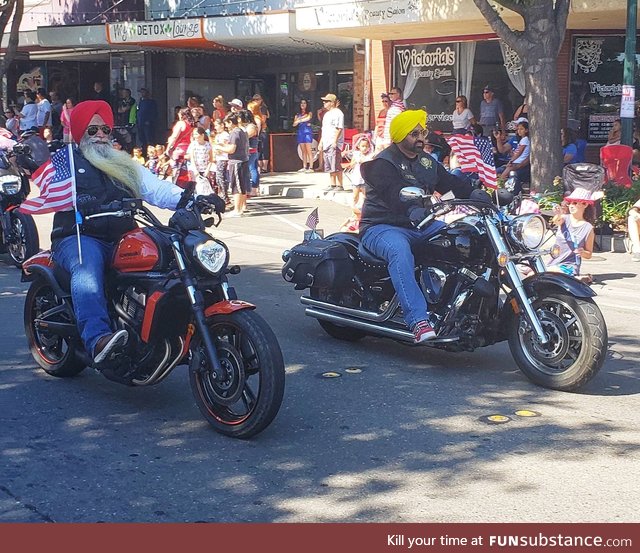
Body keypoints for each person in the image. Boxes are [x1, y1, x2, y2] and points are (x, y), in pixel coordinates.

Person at [49, 100, 185, 366]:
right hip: (78, 236)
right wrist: (75, 199)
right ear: (79, 133)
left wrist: (192, 199)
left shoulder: (123, 163)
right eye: (92, 130)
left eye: (105, 129)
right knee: (86, 266)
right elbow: (51, 189)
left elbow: (156, 188)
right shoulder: (65, 161)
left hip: (122, 236)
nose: (100, 134)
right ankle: (97, 338)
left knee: (169, 253)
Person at [358, 109, 473, 343]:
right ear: (400, 136)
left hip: (421, 224)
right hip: (381, 227)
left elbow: (449, 183)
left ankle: (457, 307)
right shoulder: (383, 163)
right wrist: (412, 210)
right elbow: (393, 194)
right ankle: (418, 320)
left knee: (462, 237)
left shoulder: (426, 162)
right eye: (414, 133)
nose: (421, 137)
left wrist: (478, 194)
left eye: (423, 132)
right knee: (399, 250)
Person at [548, 188, 597, 282]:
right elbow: (556, 221)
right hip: (554, 262)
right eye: (570, 203)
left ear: (585, 204)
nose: (571, 206)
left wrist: (582, 252)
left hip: (569, 266)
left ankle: (576, 278)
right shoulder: (565, 219)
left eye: (575, 203)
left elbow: (589, 254)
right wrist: (558, 214)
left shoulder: (588, 228)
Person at [218, 112, 249, 217]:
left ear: (231, 122)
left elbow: (232, 149)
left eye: (227, 123)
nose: (226, 126)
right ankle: (240, 208)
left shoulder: (235, 133)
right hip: (242, 160)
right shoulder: (242, 131)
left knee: (237, 186)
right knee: (241, 186)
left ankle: (237, 209)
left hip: (236, 162)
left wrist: (220, 148)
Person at [319, 93, 344, 191]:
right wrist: (321, 142)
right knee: (329, 165)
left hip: (334, 143)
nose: (324, 103)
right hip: (326, 142)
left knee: (336, 164)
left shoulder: (338, 113)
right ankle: (332, 184)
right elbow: (324, 130)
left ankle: (340, 185)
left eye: (326, 101)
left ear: (332, 103)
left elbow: (339, 128)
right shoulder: (327, 114)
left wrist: (335, 141)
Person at [497, 120, 530, 188]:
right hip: (515, 161)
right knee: (499, 172)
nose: (519, 131)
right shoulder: (522, 139)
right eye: (518, 129)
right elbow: (503, 150)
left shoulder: (525, 139)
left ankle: (499, 186)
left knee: (503, 175)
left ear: (526, 130)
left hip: (518, 163)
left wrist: (510, 161)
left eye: (521, 129)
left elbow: (518, 153)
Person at [166, 107, 196, 179]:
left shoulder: (181, 123)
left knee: (176, 169)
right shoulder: (192, 125)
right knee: (186, 169)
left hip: (179, 149)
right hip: (188, 149)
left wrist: (168, 147)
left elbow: (174, 137)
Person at [345, 134, 373, 209]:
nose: (365, 148)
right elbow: (351, 165)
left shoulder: (370, 156)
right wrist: (355, 162)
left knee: (365, 196)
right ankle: (353, 209)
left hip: (365, 179)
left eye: (366, 147)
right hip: (357, 178)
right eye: (363, 146)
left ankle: (364, 210)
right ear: (359, 147)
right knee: (355, 195)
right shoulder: (356, 154)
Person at [380, 86, 406, 150]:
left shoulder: (397, 108)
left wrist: (391, 138)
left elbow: (395, 123)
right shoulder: (396, 106)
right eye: (390, 93)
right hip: (389, 135)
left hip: (390, 137)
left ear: (398, 94)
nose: (390, 95)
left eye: (392, 94)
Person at [212, 118, 230, 203]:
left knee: (221, 177)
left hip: (223, 157)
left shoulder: (225, 135)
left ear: (222, 125)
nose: (215, 127)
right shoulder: (218, 135)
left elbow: (224, 145)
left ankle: (225, 196)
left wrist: (219, 148)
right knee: (218, 178)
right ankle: (223, 194)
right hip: (219, 157)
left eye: (216, 125)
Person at [293, 98, 314, 173]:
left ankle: (311, 167)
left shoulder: (309, 113)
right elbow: (294, 124)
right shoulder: (297, 114)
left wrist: (299, 120)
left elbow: (308, 118)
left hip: (307, 132)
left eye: (304, 103)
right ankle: (304, 166)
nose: (302, 104)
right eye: (301, 103)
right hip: (300, 132)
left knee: (309, 150)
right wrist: (299, 120)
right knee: (303, 151)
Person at [136, 87, 158, 152]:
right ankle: (144, 152)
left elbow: (154, 112)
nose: (142, 94)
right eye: (141, 92)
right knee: (142, 138)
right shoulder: (140, 101)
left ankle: (151, 152)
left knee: (149, 138)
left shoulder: (151, 102)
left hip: (147, 123)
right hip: (140, 123)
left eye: (143, 92)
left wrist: (149, 120)